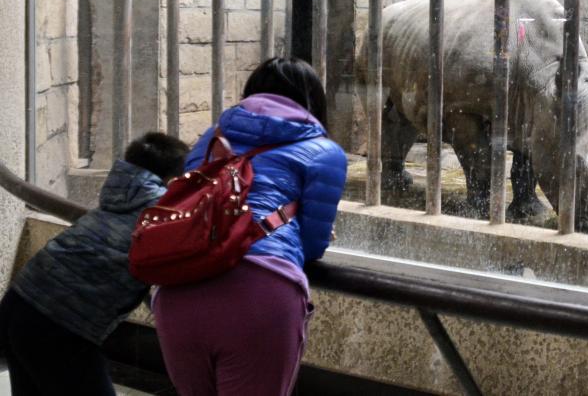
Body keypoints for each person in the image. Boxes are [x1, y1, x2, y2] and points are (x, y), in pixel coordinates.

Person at [153, 57, 347, 396]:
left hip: (178, 295)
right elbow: (314, 245)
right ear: (314, 102)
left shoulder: (210, 139)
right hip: (260, 295)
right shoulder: (324, 152)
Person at [0, 132, 190, 395]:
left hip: (18, 302)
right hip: (59, 326)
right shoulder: (161, 216)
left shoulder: (115, 200)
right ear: (173, 178)